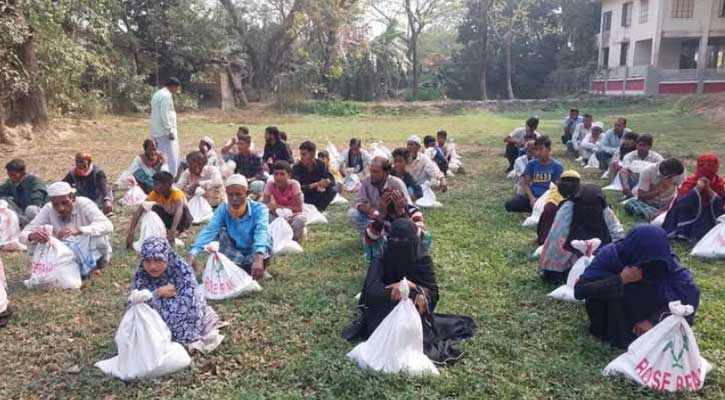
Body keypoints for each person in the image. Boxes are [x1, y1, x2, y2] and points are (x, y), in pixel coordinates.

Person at [342, 219, 475, 364]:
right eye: (394, 239)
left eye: (404, 240)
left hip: (413, 318)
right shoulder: (381, 257)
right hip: (381, 316)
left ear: (414, 240)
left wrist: (414, 288)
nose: (399, 243)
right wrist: (398, 292)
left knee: (413, 301)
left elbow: (433, 293)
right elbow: (371, 292)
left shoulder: (422, 260)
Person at [574, 226, 700, 349]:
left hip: (650, 320)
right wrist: (621, 279)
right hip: (610, 318)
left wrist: (654, 320)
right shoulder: (611, 255)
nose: (647, 266)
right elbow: (580, 291)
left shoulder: (665, 262)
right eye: (643, 261)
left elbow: (690, 295)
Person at [132, 237, 224, 347]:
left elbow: (192, 302)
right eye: (147, 261)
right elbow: (134, 304)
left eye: (158, 260)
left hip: (181, 313)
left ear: (167, 258)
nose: (152, 266)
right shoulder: (142, 276)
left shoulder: (182, 271)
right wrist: (157, 293)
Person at [21, 182, 113, 279]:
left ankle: (94, 268)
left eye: (65, 202)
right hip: (65, 254)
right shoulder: (48, 209)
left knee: (97, 234)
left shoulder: (84, 203)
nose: (61, 208)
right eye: (55, 204)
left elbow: (107, 225)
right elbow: (23, 235)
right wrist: (33, 236)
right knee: (36, 243)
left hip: (89, 249)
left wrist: (80, 230)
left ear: (72, 198)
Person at [188, 175, 271, 279]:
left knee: (267, 235)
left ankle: (260, 267)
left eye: (238, 194)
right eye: (230, 195)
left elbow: (261, 231)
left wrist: (258, 257)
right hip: (235, 251)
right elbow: (209, 230)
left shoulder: (259, 209)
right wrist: (193, 254)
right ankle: (244, 268)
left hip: (255, 250)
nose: (234, 199)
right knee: (220, 233)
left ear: (247, 193)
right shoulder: (223, 209)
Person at [539, 185, 624, 283]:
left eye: (594, 205)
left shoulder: (605, 212)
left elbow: (617, 235)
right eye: (584, 205)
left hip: (600, 257)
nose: (589, 208)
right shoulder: (568, 209)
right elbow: (557, 239)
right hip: (568, 262)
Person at [663, 153, 725, 242]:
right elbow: (681, 204)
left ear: (716, 166)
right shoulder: (690, 182)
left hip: (712, 217)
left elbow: (721, 206)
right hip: (690, 215)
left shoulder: (719, 184)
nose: (705, 168)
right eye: (701, 165)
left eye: (709, 165)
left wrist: (709, 191)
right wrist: (697, 189)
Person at [126, 172, 192, 249]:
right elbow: (140, 210)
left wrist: (173, 231)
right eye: (153, 184)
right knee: (154, 208)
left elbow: (179, 211)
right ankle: (166, 230)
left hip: (181, 221)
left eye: (157, 184)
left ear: (167, 185)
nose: (154, 187)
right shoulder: (155, 193)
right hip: (168, 219)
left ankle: (180, 231)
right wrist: (131, 233)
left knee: (182, 208)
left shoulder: (176, 193)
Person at [347, 157, 412, 234]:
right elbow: (359, 203)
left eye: (376, 172)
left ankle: (379, 235)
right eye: (371, 171)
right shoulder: (367, 181)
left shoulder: (396, 183)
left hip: (394, 219)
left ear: (386, 173)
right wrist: (372, 211)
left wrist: (399, 205)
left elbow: (409, 207)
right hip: (377, 218)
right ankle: (374, 234)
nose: (372, 175)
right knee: (352, 213)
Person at [362, 188, 429, 260]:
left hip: (408, 248)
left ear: (404, 200)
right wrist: (381, 216)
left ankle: (417, 259)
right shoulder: (379, 213)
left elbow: (420, 236)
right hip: (387, 250)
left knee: (427, 236)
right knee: (370, 234)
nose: (393, 215)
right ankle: (377, 261)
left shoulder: (413, 211)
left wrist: (402, 214)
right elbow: (369, 239)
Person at [505, 136, 563, 213]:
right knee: (510, 205)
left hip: (548, 198)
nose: (538, 152)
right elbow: (525, 183)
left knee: (551, 208)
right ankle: (535, 208)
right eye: (536, 149)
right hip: (533, 196)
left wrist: (545, 200)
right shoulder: (531, 164)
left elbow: (557, 188)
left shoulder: (557, 166)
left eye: (541, 149)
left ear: (549, 150)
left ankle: (538, 209)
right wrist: (531, 198)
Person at [263, 161, 307, 242]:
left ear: (289, 175)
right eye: (276, 174)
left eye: (282, 174)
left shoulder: (294, 185)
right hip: (277, 216)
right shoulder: (270, 184)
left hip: (292, 216)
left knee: (300, 220)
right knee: (264, 217)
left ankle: (292, 239)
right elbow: (265, 205)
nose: (279, 177)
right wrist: (276, 211)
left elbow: (299, 208)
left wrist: (278, 207)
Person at [536, 170, 581, 246]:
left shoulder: (580, 194)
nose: (569, 184)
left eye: (572, 181)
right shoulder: (553, 199)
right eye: (567, 181)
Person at [0, 159, 48, 226]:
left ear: (22, 173)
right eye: (9, 175)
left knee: (31, 210)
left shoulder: (35, 184)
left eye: (12, 175)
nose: (10, 178)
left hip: (38, 215)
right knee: (3, 201)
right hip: (22, 213)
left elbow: (36, 206)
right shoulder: (12, 182)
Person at [292, 141, 337, 212]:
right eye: (301, 154)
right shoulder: (296, 168)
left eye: (304, 154)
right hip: (305, 195)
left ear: (312, 154)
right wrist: (315, 185)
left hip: (318, 193)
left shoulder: (321, 165)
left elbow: (330, 179)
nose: (302, 157)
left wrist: (326, 183)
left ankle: (320, 208)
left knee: (332, 190)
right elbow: (297, 187)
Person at [150, 77, 181, 176]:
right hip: (164, 132)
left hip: (157, 130)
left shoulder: (158, 94)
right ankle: (170, 176)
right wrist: (169, 130)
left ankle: (161, 174)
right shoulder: (166, 96)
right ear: (173, 86)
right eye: (176, 88)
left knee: (160, 154)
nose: (176, 91)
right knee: (170, 156)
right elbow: (165, 114)